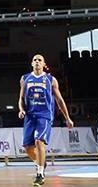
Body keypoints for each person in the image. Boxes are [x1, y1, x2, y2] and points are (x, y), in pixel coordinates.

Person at [18, 54, 73, 186]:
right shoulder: (25, 78)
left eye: (40, 60)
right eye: (35, 60)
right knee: (27, 147)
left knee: (39, 141)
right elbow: (20, 98)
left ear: (44, 64)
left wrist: (67, 118)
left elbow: (59, 100)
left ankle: (40, 174)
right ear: (32, 63)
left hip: (45, 115)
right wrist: (21, 109)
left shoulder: (51, 79)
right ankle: (41, 162)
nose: (37, 62)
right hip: (30, 116)